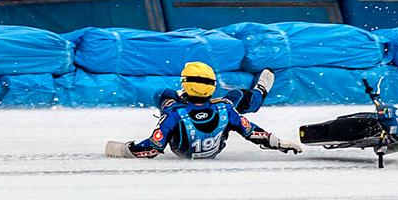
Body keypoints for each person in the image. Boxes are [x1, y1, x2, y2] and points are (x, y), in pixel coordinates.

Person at [106, 62, 302, 159]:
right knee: (236, 96)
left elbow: (152, 147)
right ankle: (259, 93)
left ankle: (183, 97)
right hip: (214, 148)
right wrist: (279, 143)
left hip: (183, 148)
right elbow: (252, 131)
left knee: (164, 93)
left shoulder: (173, 112)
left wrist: (124, 149)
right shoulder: (226, 108)